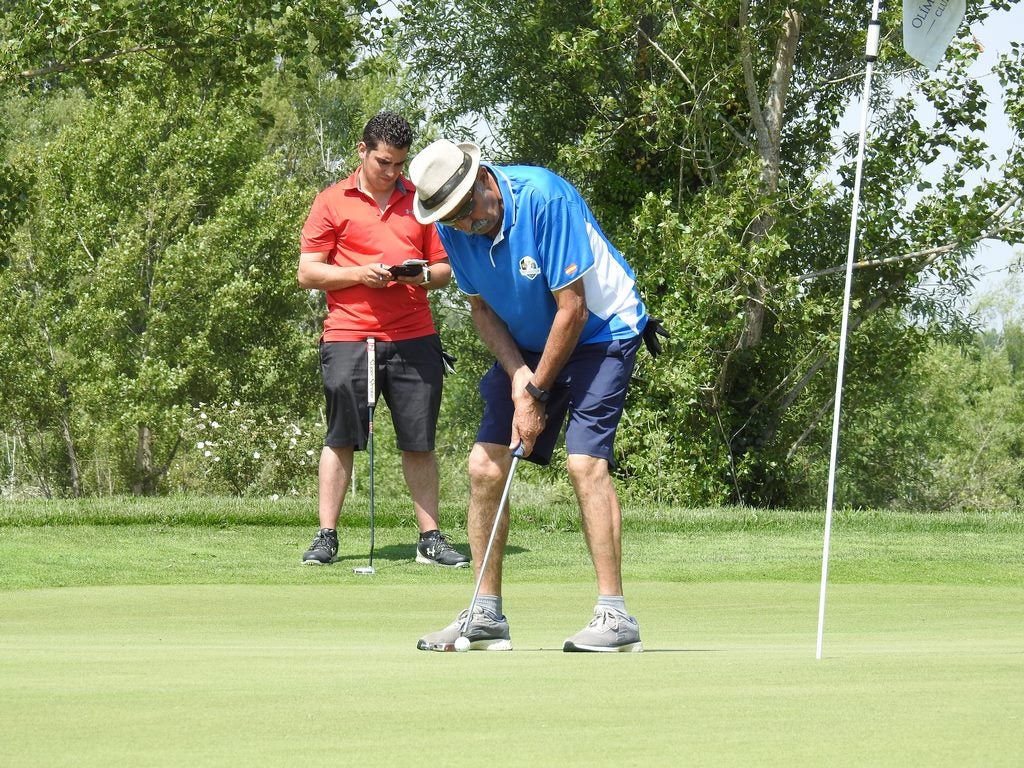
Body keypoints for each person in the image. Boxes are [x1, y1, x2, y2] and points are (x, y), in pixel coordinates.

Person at [408, 138, 665, 652]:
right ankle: (486, 615)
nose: (465, 224)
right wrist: (519, 376)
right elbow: (482, 310)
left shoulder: (545, 198)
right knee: (484, 466)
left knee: (584, 462)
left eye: (467, 209)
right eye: (452, 218)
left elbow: (574, 310)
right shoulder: (452, 227)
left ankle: (616, 617)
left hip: (603, 331)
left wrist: (535, 393)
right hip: (529, 343)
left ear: (483, 178)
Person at [297, 113, 469, 569]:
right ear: (363, 151)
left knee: (419, 442)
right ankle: (326, 536)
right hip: (349, 336)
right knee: (340, 437)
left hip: (415, 337)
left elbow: (444, 270)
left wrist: (420, 276)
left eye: (399, 164)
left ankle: (430, 539)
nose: (392, 172)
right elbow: (308, 272)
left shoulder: (421, 203)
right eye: (384, 162)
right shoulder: (331, 201)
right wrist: (359, 274)